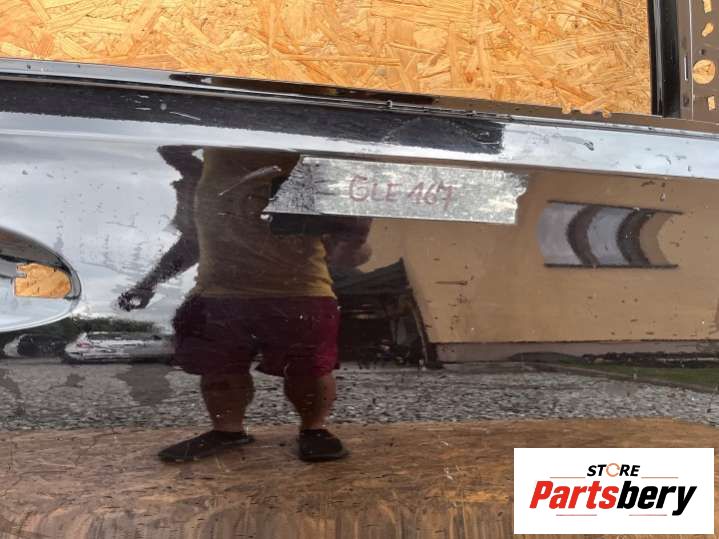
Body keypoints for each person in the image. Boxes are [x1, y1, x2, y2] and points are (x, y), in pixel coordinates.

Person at [119, 147, 371, 462]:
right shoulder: (203, 176)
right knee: (219, 369)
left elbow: (350, 249)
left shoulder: (309, 158)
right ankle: (227, 431)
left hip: (301, 290)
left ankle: (314, 429)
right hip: (219, 293)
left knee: (309, 370)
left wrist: (353, 234)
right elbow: (194, 240)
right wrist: (148, 283)